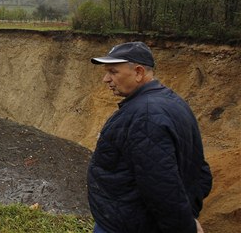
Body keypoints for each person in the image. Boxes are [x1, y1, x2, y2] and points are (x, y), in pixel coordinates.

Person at [88, 41, 212, 233]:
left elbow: (161, 187)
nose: (106, 79)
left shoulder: (145, 116)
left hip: (130, 225)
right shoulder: (172, 102)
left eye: (113, 72)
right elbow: (200, 170)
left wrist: (184, 226)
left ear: (138, 72)